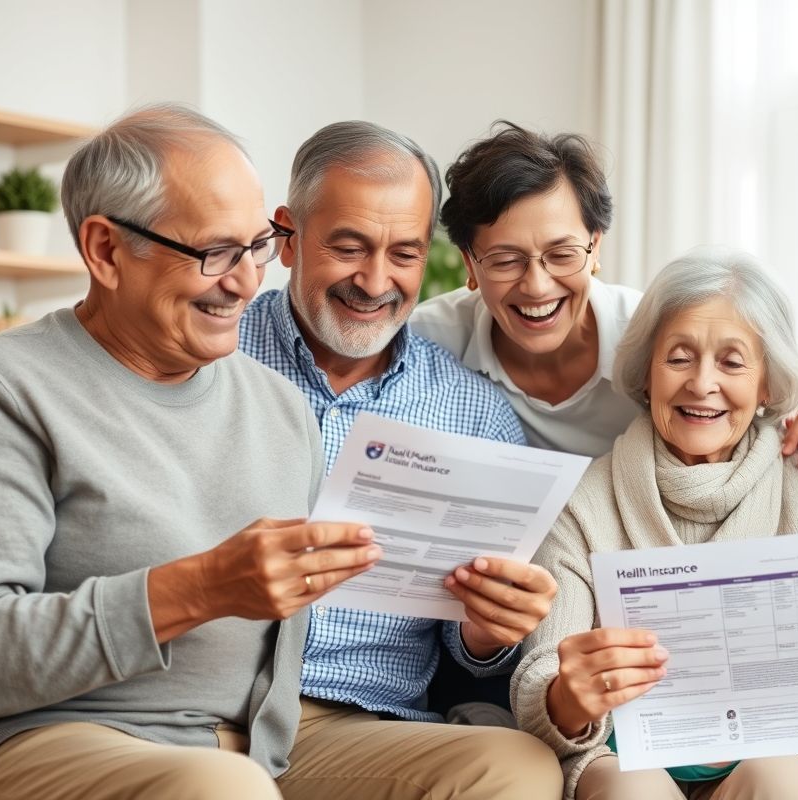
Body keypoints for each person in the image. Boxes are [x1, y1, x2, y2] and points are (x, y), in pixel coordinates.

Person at [0, 105, 381, 799]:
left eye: (257, 246)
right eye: (215, 253)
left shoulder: (281, 407)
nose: (248, 281)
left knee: (503, 767)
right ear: (104, 251)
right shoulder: (1, 390)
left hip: (259, 743)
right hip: (48, 737)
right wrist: (198, 589)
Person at [238, 120, 563, 798]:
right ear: (288, 238)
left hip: (352, 726)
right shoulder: (212, 351)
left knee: (518, 769)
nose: (375, 280)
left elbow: (472, 652)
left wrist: (484, 630)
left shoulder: (474, 414)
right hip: (199, 709)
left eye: (404, 254)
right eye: (349, 246)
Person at [512, 248, 798, 800]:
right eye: (679, 358)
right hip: (626, 760)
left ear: (767, 387)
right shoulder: (584, 503)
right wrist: (568, 697)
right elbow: (540, 674)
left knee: (774, 780)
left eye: (732, 363)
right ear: (647, 373)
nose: (701, 383)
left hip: (784, 755)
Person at [411, 122, 798, 469]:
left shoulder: (660, 333)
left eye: (562, 255)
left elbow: (779, 395)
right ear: (470, 264)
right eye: (506, 260)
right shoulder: (426, 342)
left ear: (596, 247)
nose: (537, 286)